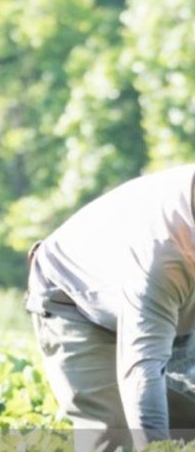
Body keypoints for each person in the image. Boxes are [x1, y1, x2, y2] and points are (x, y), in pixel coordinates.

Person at [25, 163, 195, 451]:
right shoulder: (160, 254)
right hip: (75, 302)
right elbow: (143, 371)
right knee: (114, 435)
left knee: (189, 413)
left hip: (171, 310)